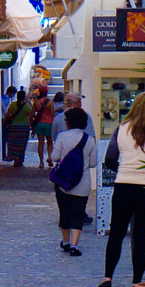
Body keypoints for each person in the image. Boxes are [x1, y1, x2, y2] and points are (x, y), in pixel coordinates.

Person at [99, 93, 145, 287]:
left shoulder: (122, 129)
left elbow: (109, 159)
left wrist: (124, 169)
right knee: (141, 236)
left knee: (116, 233)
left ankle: (108, 278)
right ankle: (136, 282)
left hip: (124, 186)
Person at [50, 106, 95, 256]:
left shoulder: (62, 137)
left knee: (65, 212)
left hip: (64, 182)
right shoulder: (89, 139)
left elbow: (55, 157)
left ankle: (66, 241)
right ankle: (75, 245)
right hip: (82, 182)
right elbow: (93, 163)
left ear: (68, 122)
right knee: (78, 213)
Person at [1, 88, 33, 166]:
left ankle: (13, 156)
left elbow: (7, 115)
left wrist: (4, 123)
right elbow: (31, 116)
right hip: (24, 128)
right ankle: (20, 158)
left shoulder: (13, 105)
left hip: (13, 127)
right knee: (22, 143)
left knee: (13, 142)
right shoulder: (27, 106)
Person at [31, 88, 57, 166]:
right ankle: (49, 157)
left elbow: (32, 114)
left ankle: (41, 162)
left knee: (41, 143)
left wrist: (32, 123)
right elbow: (52, 115)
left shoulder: (36, 102)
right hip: (48, 124)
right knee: (49, 142)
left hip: (39, 124)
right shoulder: (50, 103)